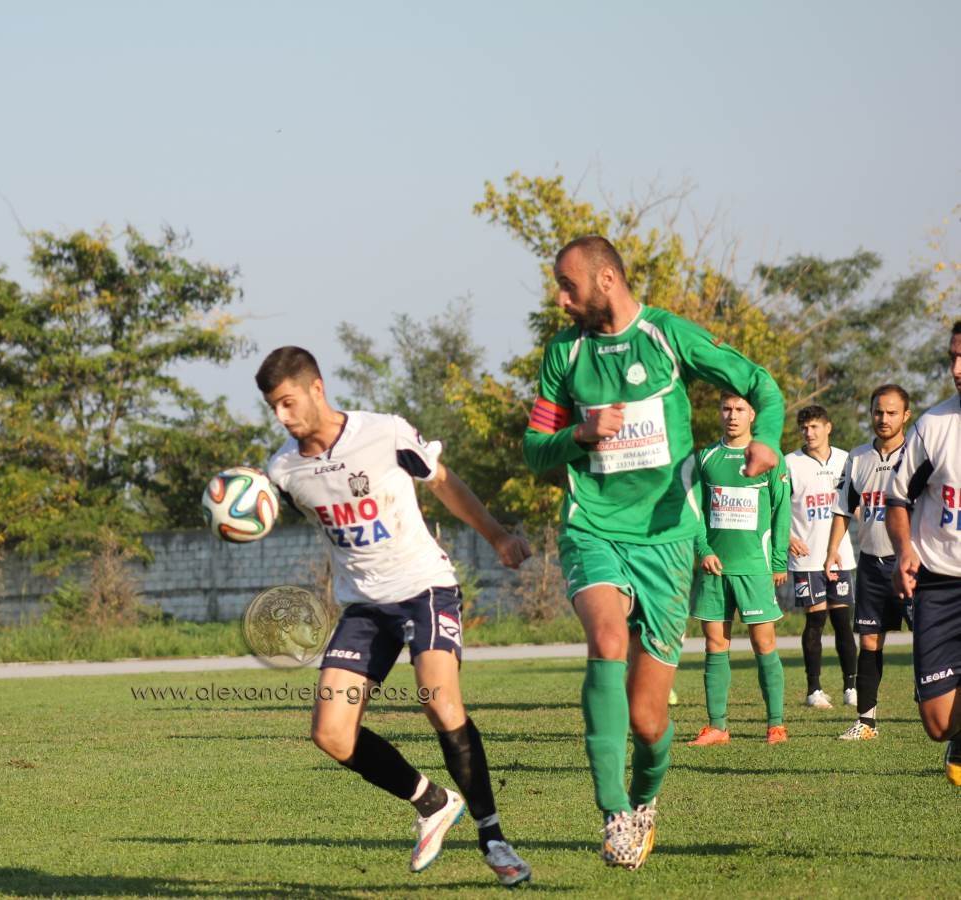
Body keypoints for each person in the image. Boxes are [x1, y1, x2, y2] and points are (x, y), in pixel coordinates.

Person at [524, 235, 784, 870]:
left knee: (647, 722)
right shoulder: (564, 353)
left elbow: (761, 384)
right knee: (607, 638)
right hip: (593, 527)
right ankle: (614, 810)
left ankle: (643, 802)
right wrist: (579, 434)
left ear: (606, 280)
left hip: (667, 541)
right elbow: (534, 450)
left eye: (568, 286)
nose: (561, 299)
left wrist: (770, 440)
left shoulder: (668, 336)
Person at [256, 346, 534, 887]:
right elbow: (265, 502)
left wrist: (498, 536)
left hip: (424, 586)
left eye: (288, 402)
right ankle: (432, 802)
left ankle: (493, 836)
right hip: (363, 606)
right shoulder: (284, 470)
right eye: (273, 408)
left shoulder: (384, 433)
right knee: (332, 734)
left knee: (439, 700)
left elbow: (443, 482)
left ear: (316, 389)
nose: (282, 417)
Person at [687, 394, 790, 747]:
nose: (732, 415)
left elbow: (781, 511)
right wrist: (703, 550)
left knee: (764, 643)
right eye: (727, 409)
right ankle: (717, 727)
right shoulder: (705, 458)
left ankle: (776, 725)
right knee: (715, 644)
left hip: (755, 567)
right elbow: (694, 511)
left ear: (752, 415)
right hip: (715, 569)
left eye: (740, 409)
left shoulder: (770, 457)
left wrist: (778, 561)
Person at [885, 321, 961, 785]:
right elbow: (897, 500)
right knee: (937, 723)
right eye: (953, 357)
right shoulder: (934, 427)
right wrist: (904, 550)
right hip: (938, 582)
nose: (957, 369)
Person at [825, 386, 913, 740]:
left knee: (929, 638)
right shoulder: (858, 457)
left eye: (892, 412)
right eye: (878, 412)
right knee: (870, 641)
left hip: (912, 565)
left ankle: (936, 704)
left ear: (906, 415)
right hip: (872, 565)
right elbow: (843, 507)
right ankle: (866, 722)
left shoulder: (918, 453)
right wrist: (832, 550)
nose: (884, 419)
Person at [786, 406, 858, 709]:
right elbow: (775, 507)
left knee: (842, 622)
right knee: (815, 620)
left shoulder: (846, 459)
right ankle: (813, 690)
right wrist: (787, 538)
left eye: (815, 426)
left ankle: (851, 687)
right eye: (804, 427)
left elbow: (856, 502)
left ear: (828, 427)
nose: (809, 432)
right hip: (807, 557)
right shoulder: (790, 463)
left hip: (840, 556)